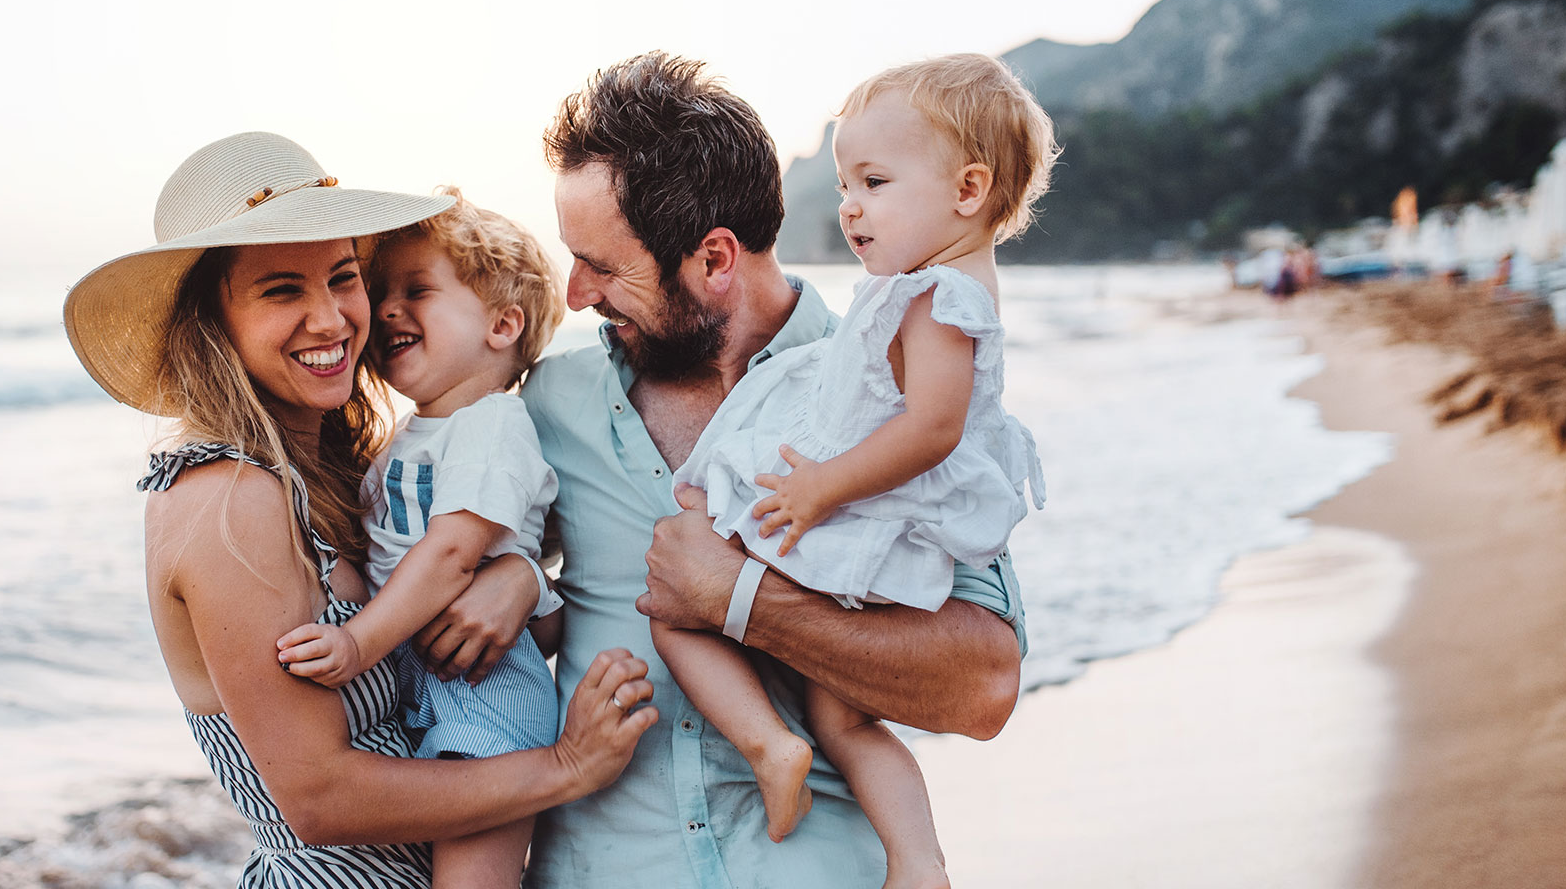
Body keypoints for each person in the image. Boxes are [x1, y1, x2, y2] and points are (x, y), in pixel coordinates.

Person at [62, 132, 657, 888]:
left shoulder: (346, 472)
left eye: (343, 278)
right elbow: (319, 799)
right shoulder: (226, 500)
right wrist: (567, 767)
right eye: (282, 291)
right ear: (213, 322)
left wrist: (515, 578)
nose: (332, 319)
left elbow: (457, 628)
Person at [511, 53, 1028, 889]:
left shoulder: (887, 393)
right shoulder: (546, 406)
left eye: (603, 266)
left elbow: (983, 687)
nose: (575, 295)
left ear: (715, 259)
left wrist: (740, 599)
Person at [664, 53, 1052, 889]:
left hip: (868, 515)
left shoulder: (942, 297)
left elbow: (933, 429)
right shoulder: (934, 283)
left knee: (678, 590)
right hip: (882, 519)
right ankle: (918, 864)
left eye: (874, 182)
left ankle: (770, 745)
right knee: (845, 715)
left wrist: (820, 488)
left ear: (968, 190)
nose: (849, 207)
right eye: (845, 185)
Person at [272, 190, 568, 889]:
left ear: (502, 325)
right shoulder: (414, 437)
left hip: (485, 694)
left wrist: (356, 643)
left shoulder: (491, 426)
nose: (388, 310)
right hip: (430, 687)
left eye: (418, 291)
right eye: (382, 293)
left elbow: (452, 554)